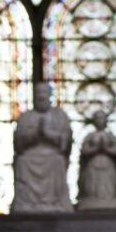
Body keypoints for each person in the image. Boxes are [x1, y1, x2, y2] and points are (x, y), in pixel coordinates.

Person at [10, 82, 73, 213]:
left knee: (58, 160)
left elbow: (65, 142)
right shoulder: (26, 117)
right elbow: (19, 143)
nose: (41, 96)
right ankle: (26, 204)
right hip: (31, 154)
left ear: (50, 95)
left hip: (52, 154)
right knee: (22, 161)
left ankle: (56, 203)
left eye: (44, 93)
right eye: (38, 94)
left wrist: (48, 134)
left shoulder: (60, 115)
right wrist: (35, 134)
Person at [77, 110, 116, 211]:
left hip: (108, 165)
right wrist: (95, 148)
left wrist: (106, 148)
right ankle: (91, 199)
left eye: (102, 118)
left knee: (108, 185)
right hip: (93, 164)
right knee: (92, 183)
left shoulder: (110, 136)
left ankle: (108, 198)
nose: (99, 121)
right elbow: (84, 151)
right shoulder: (89, 136)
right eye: (97, 118)